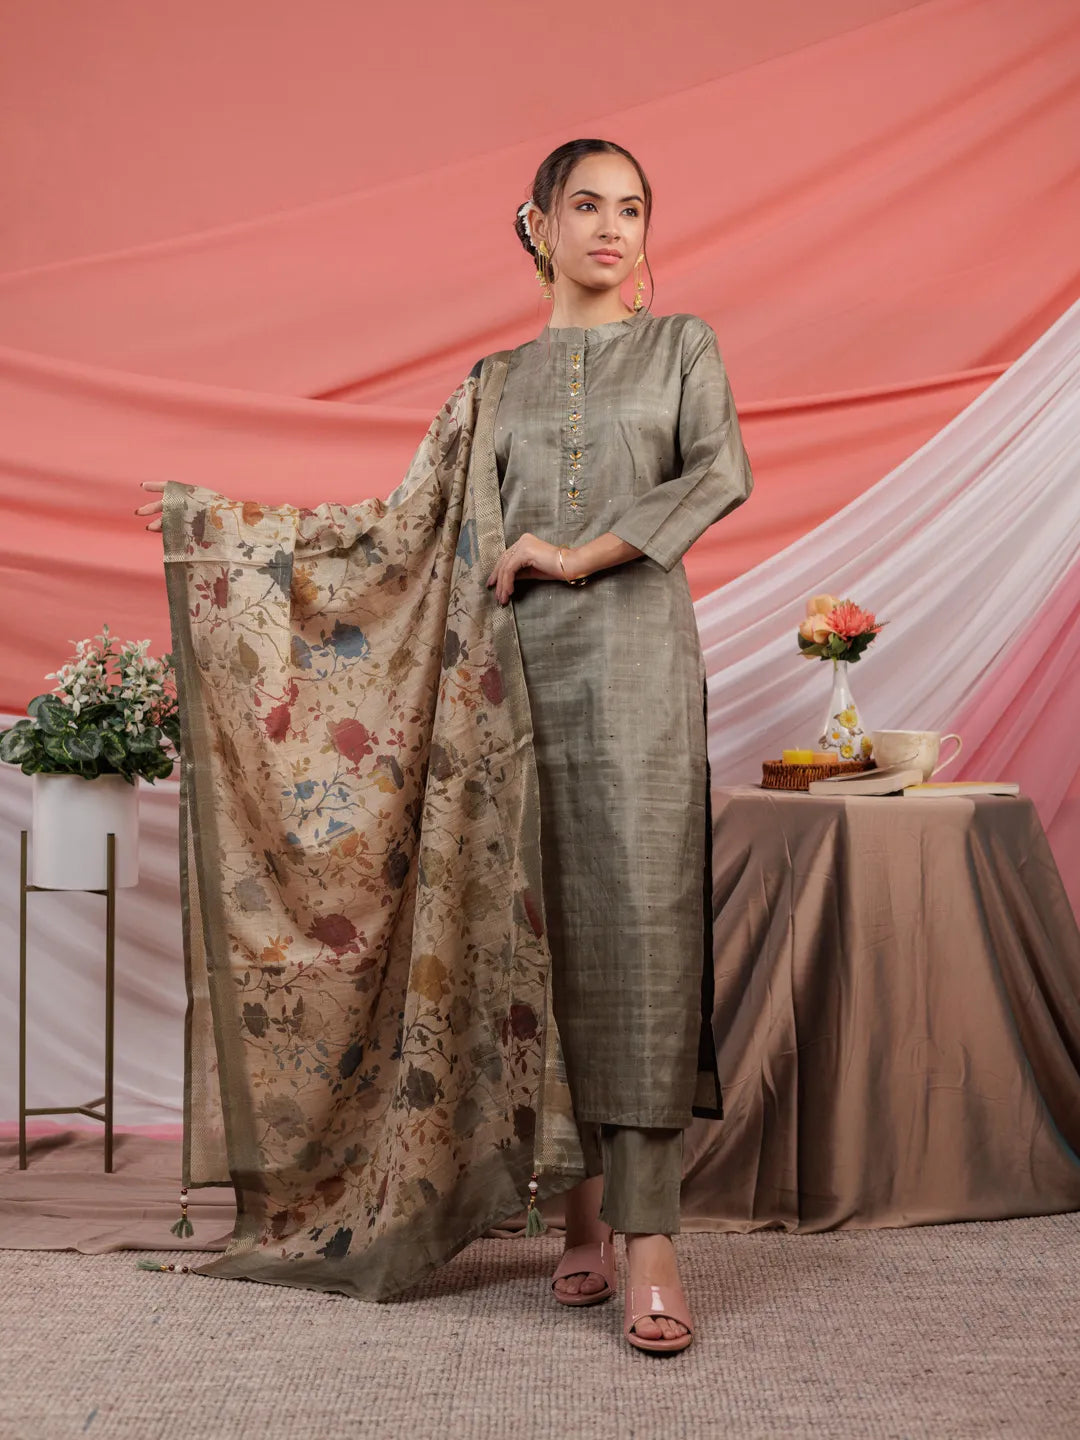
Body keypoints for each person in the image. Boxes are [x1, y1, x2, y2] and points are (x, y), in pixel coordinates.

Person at [137, 137, 753, 1355]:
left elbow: (717, 474)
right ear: (539, 224)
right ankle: (578, 1215)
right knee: (532, 932)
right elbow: (400, 529)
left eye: (633, 209)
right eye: (588, 205)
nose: (613, 228)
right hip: (502, 688)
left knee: (638, 936)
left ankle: (652, 1241)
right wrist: (220, 532)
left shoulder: (682, 347)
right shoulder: (493, 384)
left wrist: (568, 554)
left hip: (636, 669)